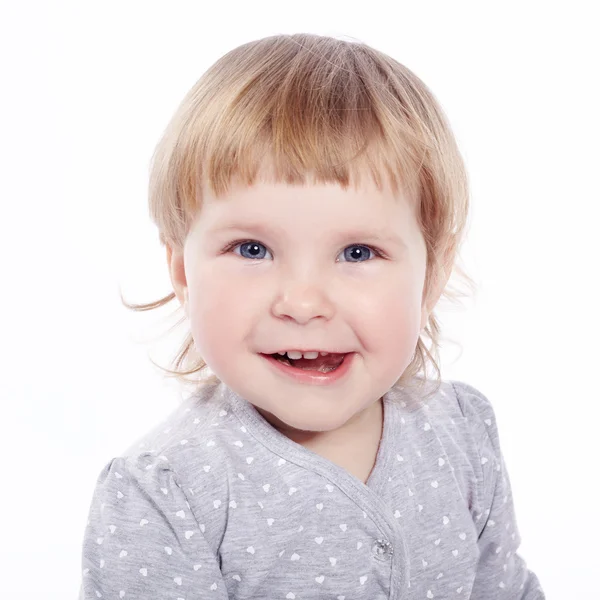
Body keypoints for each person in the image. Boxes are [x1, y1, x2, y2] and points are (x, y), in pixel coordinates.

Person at [78, 33, 545, 599]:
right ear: (181, 273)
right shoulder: (167, 492)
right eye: (252, 249)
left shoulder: (462, 432)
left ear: (434, 273)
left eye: (357, 253)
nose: (302, 303)